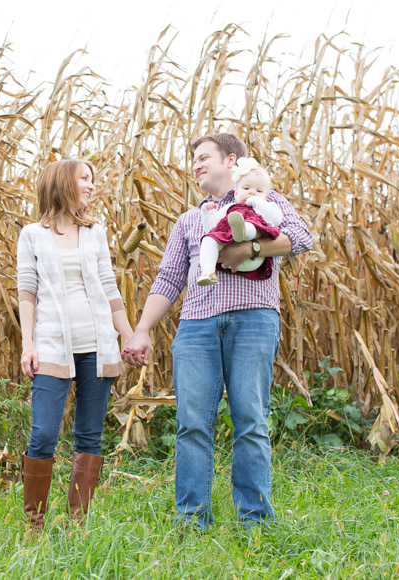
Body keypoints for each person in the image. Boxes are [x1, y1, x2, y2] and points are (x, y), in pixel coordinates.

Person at [122, 133, 312, 529]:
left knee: (250, 419)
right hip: (196, 327)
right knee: (192, 423)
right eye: (193, 159)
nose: (196, 165)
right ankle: (191, 520)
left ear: (232, 160)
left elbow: (302, 237)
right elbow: (169, 278)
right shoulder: (190, 220)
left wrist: (251, 250)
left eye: (203, 157)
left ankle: (254, 521)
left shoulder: (265, 200)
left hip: (253, 319)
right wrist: (142, 329)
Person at [17, 159, 133, 533]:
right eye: (84, 178)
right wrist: (27, 344)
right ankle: (33, 525)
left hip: (97, 344)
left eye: (92, 180)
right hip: (51, 345)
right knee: (44, 433)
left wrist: (128, 335)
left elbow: (108, 287)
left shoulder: (95, 232)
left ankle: (76, 525)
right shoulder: (32, 234)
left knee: (89, 435)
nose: (90, 186)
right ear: (62, 182)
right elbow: (27, 292)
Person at [196, 157, 282, 286]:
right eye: (246, 188)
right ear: (236, 193)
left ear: (266, 197)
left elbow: (276, 219)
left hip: (253, 258)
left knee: (251, 226)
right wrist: (208, 213)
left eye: (259, 191)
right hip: (228, 243)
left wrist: (256, 201)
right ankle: (208, 271)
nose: (252, 192)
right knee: (208, 239)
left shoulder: (267, 208)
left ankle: (242, 230)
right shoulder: (228, 209)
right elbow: (212, 228)